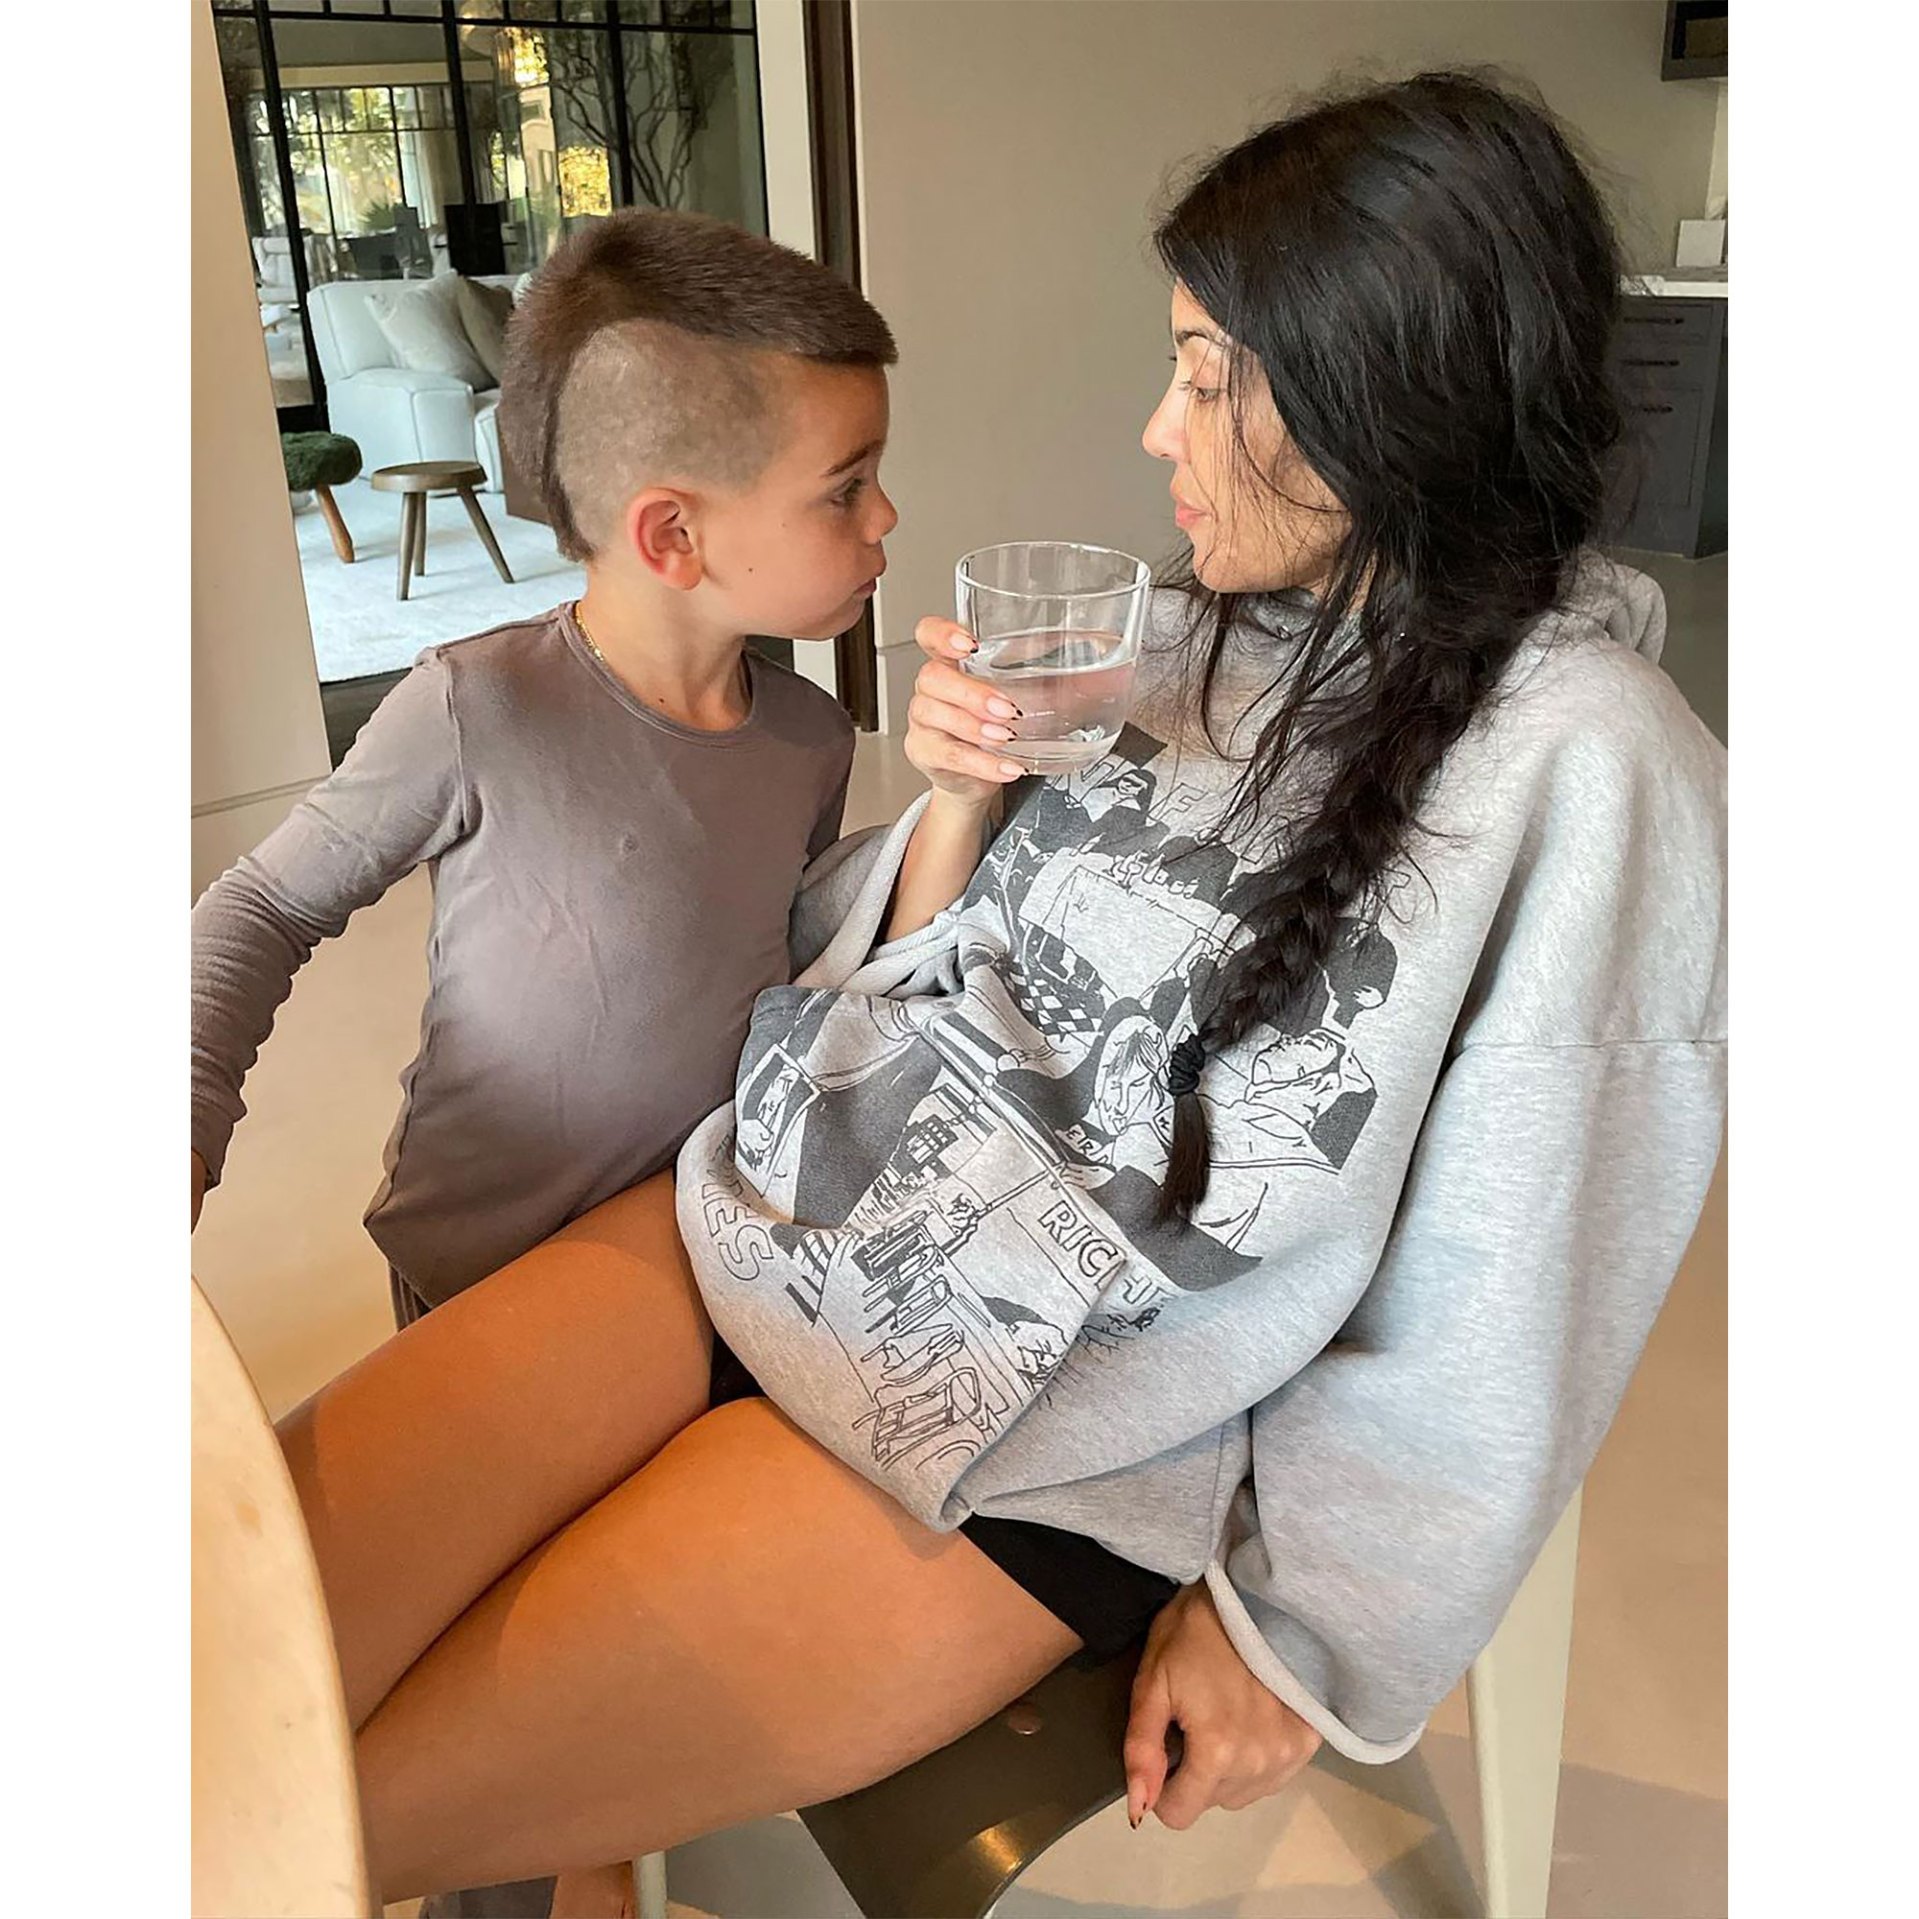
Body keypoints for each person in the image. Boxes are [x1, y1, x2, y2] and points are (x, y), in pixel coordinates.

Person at [271, 73, 1726, 1911]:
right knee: (206, 1641)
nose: (1154, 429)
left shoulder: (1592, 764)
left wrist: (1297, 1628)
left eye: (1205, 376)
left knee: (291, 1829)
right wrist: (958, 794)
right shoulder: (1171, 634)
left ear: (1381, 392)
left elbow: (1516, 1276)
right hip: (762, 1204)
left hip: (1042, 1429)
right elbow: (882, 963)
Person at [191, 208, 898, 1914]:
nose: (886, 522)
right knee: (470, 1650)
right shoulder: (478, 706)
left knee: (595, 1621)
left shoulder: (812, 740)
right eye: (847, 487)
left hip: (682, 1270)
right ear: (673, 531)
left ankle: (587, 1835)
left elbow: (795, 969)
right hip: (479, 1278)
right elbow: (261, 909)